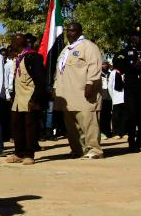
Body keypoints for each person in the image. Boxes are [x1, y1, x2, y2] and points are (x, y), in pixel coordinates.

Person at [53, 22, 103, 159]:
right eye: (67, 31)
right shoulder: (66, 50)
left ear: (80, 31)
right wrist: (56, 87)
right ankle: (77, 149)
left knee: (88, 123)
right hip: (66, 94)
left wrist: (90, 83)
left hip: (83, 92)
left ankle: (94, 150)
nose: (69, 33)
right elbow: (59, 71)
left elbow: (95, 66)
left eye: (73, 31)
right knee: (72, 127)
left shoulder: (89, 47)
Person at [5, 34, 47, 165]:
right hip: (18, 99)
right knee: (17, 127)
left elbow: (40, 80)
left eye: (13, 42)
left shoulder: (33, 57)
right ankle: (19, 153)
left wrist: (35, 99)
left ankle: (29, 154)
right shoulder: (17, 58)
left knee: (30, 128)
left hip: (29, 98)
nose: (11, 45)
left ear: (18, 43)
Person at [113, 28, 140, 151]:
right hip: (132, 87)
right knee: (132, 114)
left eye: (138, 36)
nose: (136, 38)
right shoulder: (125, 52)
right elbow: (118, 64)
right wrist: (133, 67)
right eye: (134, 36)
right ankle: (131, 141)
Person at [107, 62, 125, 138]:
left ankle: (124, 132)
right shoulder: (113, 73)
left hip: (125, 98)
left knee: (124, 116)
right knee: (116, 116)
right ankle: (116, 133)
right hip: (116, 98)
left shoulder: (125, 72)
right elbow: (110, 86)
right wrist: (113, 97)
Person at [100, 61, 113, 138]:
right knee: (102, 115)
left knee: (108, 115)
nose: (104, 66)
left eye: (106, 65)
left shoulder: (110, 74)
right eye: (103, 64)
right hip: (102, 97)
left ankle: (108, 131)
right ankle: (102, 131)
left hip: (109, 97)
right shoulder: (98, 74)